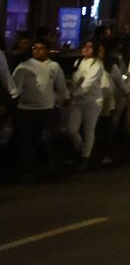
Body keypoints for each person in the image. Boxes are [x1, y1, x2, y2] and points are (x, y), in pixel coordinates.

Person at [11, 40, 69, 176]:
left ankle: (48, 164)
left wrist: (65, 97)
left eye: (41, 48)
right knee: (26, 140)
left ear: (47, 50)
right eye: (34, 48)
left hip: (46, 108)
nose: (37, 51)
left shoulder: (54, 66)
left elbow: (61, 85)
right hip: (26, 109)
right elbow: (15, 87)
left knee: (46, 138)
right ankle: (28, 167)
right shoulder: (23, 66)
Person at [67, 39, 107, 171]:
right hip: (77, 101)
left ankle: (85, 156)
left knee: (88, 130)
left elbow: (87, 84)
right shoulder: (78, 62)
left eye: (90, 47)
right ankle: (82, 148)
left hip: (92, 101)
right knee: (72, 130)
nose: (86, 49)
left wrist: (73, 94)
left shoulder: (97, 64)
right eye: (85, 46)